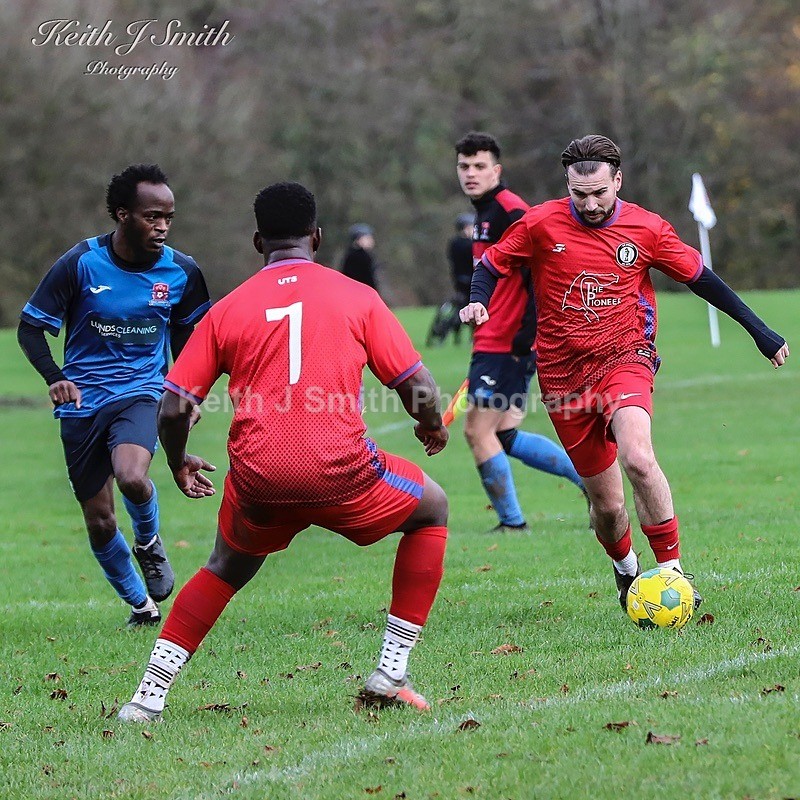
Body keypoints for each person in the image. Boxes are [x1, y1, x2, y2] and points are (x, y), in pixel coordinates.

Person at [118, 182, 449, 723]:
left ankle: (147, 698)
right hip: (340, 470)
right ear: (317, 237)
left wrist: (176, 461)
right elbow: (418, 386)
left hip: (259, 478)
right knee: (431, 510)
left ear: (257, 243)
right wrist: (430, 425)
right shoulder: (356, 295)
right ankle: (391, 673)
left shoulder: (227, 310)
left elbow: (173, 409)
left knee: (224, 567)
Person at [461, 134, 790, 610]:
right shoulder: (539, 224)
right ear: (567, 185)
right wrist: (477, 301)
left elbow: (703, 280)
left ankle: (673, 575)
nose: (591, 204)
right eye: (580, 194)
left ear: (618, 180)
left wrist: (760, 332)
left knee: (638, 457)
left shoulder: (647, 229)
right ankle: (627, 570)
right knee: (609, 507)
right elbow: (492, 265)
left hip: (624, 358)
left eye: (600, 192)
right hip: (561, 375)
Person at [17, 164, 211, 627]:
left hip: (142, 392)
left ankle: (149, 542)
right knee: (101, 520)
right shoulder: (81, 263)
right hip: (81, 403)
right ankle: (141, 607)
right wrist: (54, 376)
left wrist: (191, 392)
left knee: (131, 477)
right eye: (151, 216)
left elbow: (192, 339)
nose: (162, 226)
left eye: (169, 216)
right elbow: (30, 328)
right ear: (122, 215)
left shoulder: (182, 271)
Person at [455, 131, 586, 533]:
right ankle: (596, 483)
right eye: (464, 166)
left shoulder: (511, 212)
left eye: (479, 166)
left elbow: (541, 271)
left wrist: (525, 334)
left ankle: (513, 523)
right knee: (505, 433)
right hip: (495, 340)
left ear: (497, 170)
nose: (470, 174)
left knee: (477, 431)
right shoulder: (484, 213)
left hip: (507, 343)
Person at [425, 213, 474, 346]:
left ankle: (458, 337)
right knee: (467, 309)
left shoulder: (453, 243)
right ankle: (465, 335)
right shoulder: (469, 245)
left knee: (460, 307)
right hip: (470, 282)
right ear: (465, 228)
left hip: (458, 281)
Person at [340, 223, 379, 291]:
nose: (371, 241)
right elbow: (369, 281)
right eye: (367, 238)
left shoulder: (349, 255)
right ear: (358, 240)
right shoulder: (362, 257)